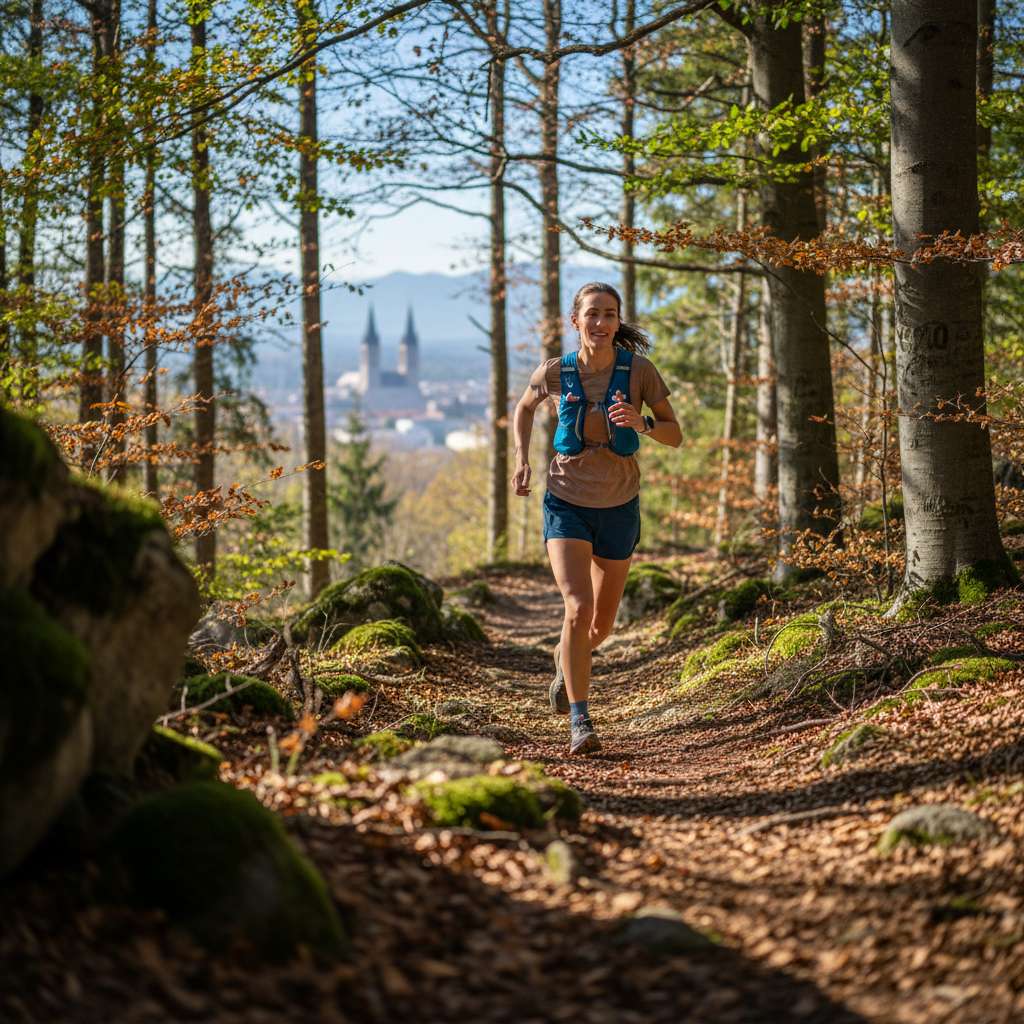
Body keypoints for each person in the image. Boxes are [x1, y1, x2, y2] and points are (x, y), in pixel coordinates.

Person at [511, 282, 682, 754]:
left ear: (617, 321)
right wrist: (521, 460)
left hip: (620, 506)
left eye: (610, 314)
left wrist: (642, 423)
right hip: (566, 502)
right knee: (577, 607)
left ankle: (567, 664)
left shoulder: (639, 372)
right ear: (576, 321)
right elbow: (523, 409)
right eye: (592, 314)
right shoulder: (556, 371)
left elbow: (675, 434)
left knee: (599, 628)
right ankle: (580, 720)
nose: (601, 323)